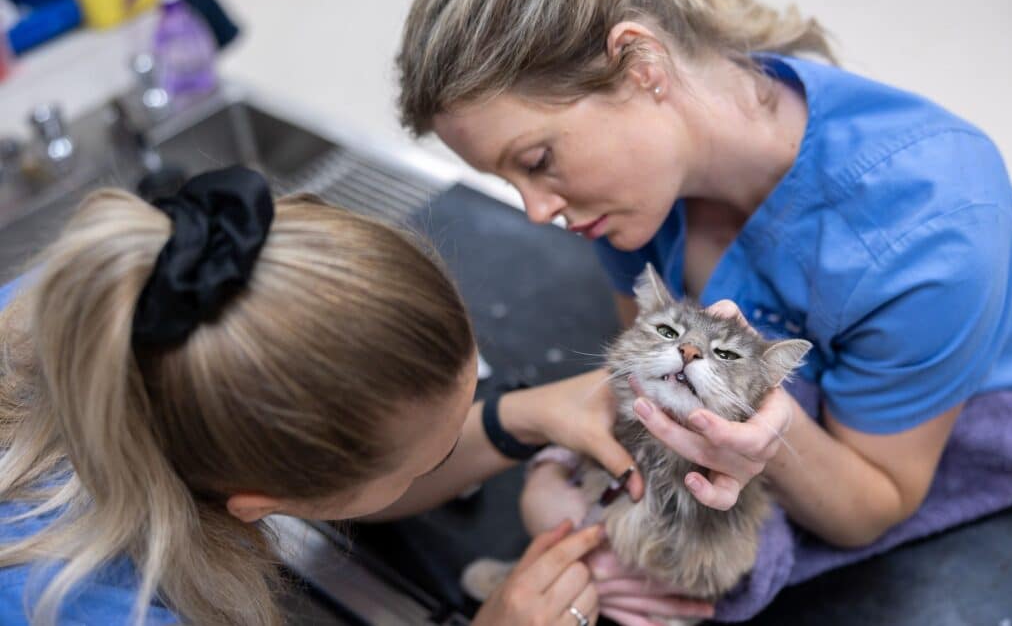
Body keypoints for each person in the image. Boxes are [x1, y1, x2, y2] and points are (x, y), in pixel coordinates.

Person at [396, 0, 1012, 622]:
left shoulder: (935, 229)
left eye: (538, 159)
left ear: (642, 65)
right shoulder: (632, 202)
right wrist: (557, 473)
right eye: (510, 182)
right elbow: (639, 383)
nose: (538, 210)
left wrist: (767, 430)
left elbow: (872, 504)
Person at [0, 166, 680, 626]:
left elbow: (384, 458)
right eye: (423, 461)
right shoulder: (99, 605)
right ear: (263, 507)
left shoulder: (109, 305)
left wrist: (520, 418)